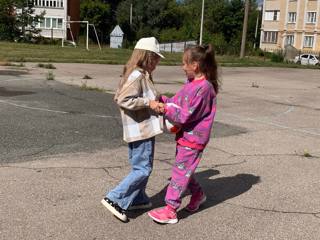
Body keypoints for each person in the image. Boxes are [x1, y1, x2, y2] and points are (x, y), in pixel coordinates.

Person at [147, 44, 220, 224]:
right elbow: (177, 102)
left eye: (184, 63)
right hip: (185, 136)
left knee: (179, 173)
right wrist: (164, 100)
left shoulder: (204, 88)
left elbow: (186, 114)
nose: (182, 67)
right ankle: (198, 194)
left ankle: (170, 209)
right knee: (184, 169)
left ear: (194, 65)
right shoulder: (191, 84)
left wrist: (163, 109)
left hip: (194, 138)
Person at [101, 37, 164, 222]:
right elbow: (123, 99)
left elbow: (127, 96)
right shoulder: (137, 75)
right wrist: (149, 103)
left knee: (144, 167)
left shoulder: (140, 74)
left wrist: (158, 98)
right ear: (146, 57)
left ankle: (138, 199)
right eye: (156, 59)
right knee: (142, 169)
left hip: (142, 129)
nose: (157, 63)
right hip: (141, 130)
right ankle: (115, 198)